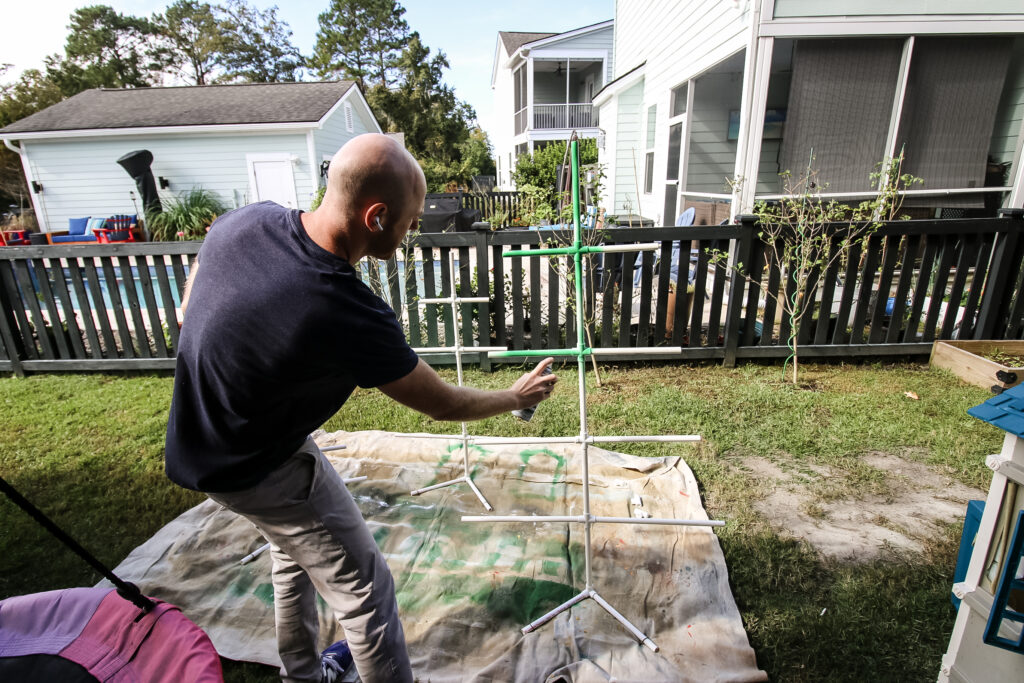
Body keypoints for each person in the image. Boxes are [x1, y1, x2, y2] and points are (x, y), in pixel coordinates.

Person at [164, 133, 557, 683]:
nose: (415, 229)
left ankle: (300, 674)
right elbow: (441, 404)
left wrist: (188, 306)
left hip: (207, 441)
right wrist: (515, 397)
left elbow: (207, 251)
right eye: (411, 219)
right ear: (376, 217)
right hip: (259, 464)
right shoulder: (342, 308)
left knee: (292, 552)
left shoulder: (248, 222)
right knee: (366, 592)